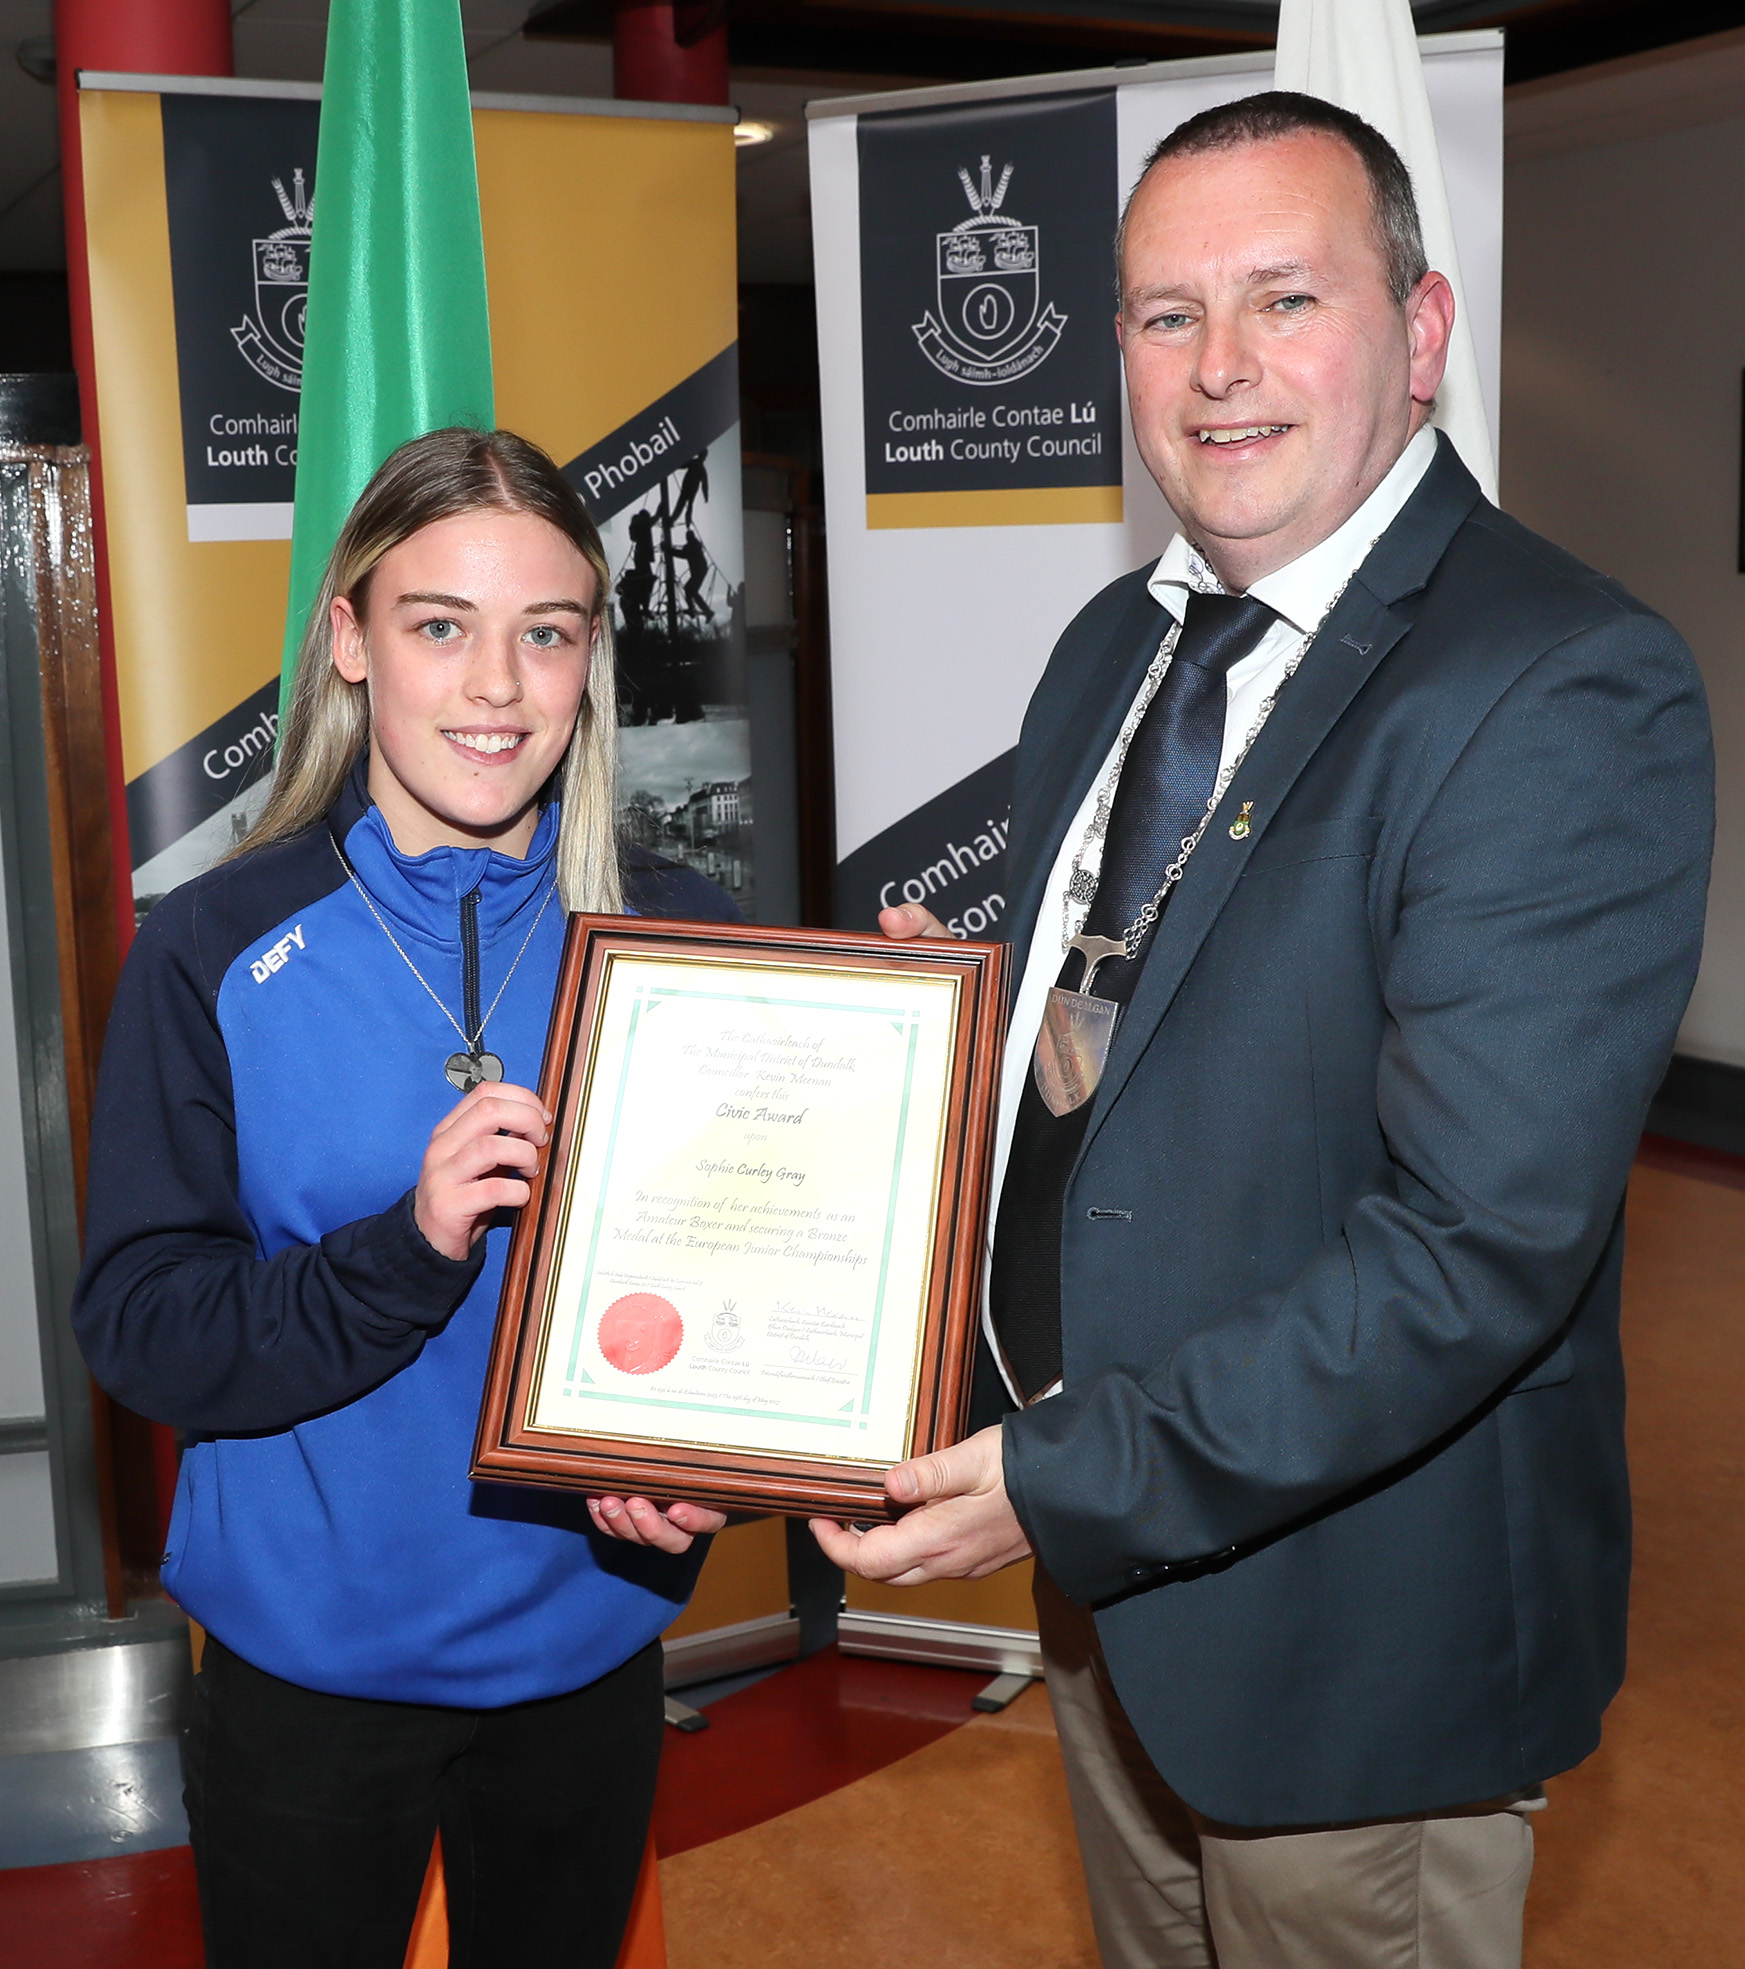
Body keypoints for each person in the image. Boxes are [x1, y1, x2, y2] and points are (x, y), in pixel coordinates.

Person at [813, 93, 1713, 1968]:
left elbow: (1476, 1245)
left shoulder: (1555, 681)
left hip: (1348, 1634)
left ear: (1421, 332)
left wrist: (1065, 1481)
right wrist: (950, 1025)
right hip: (1112, 1575)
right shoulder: (1112, 645)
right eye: (1166, 313)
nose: (1216, 365)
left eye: (1282, 298)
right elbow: (1150, 1027)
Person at [73, 428, 730, 1969]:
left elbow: (733, 1297)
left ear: (590, 660)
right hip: (307, 1672)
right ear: (352, 640)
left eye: (545, 633)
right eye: (441, 625)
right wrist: (408, 1248)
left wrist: (714, 1463)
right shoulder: (213, 947)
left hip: (586, 1646)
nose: (497, 686)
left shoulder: (682, 933)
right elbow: (146, 1326)